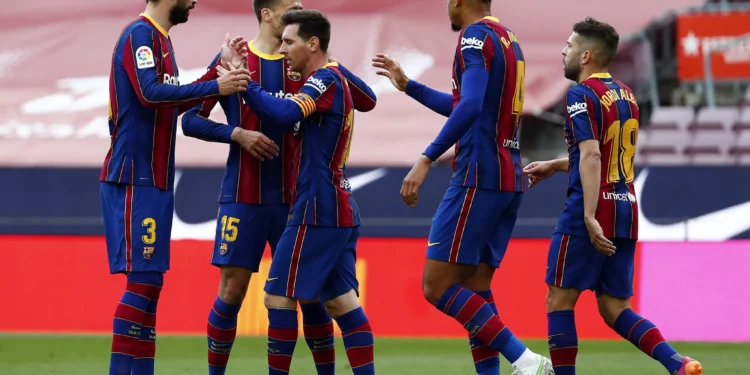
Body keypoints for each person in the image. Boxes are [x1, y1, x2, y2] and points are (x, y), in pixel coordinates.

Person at [181, 1, 376, 374]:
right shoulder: (235, 59)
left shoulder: (307, 64)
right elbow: (190, 119)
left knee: (311, 298)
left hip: (300, 200)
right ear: (268, 13)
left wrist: (326, 54)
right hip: (246, 194)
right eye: (292, 4)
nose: (301, 6)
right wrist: (236, 134)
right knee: (232, 291)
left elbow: (365, 99)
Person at [373, 0, 552, 374]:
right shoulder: (508, 39)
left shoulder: (473, 37)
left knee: (436, 287)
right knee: (474, 290)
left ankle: (525, 360)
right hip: (507, 177)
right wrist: (409, 86)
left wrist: (426, 158)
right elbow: (467, 104)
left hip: (477, 176)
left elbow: (469, 105)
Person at [523, 17, 703, 375]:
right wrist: (559, 164)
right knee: (614, 308)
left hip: (590, 209)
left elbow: (591, 155)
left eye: (570, 45)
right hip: (626, 207)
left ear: (586, 55)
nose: (564, 51)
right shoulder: (626, 95)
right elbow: (605, 155)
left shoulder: (581, 94)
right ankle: (678, 365)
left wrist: (589, 215)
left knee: (559, 300)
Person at [100, 0, 251, 374]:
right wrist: (217, 83)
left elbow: (172, 101)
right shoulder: (140, 36)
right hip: (134, 175)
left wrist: (218, 68)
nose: (194, 1)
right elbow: (150, 94)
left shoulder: (162, 41)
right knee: (144, 282)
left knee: (150, 287)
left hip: (155, 178)